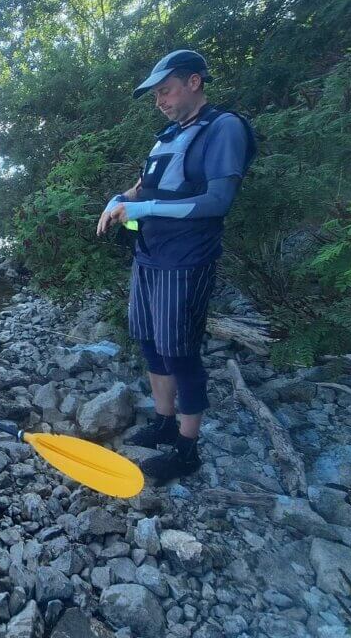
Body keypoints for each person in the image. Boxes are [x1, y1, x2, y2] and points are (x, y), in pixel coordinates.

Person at [96, 50, 256, 485]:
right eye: (155, 95)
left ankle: (188, 450)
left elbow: (218, 201)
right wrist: (119, 199)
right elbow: (145, 184)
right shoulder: (169, 134)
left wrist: (142, 205)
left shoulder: (223, 128)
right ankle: (165, 421)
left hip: (186, 261)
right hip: (149, 255)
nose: (160, 100)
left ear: (194, 83)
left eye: (165, 90)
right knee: (149, 341)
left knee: (180, 351)